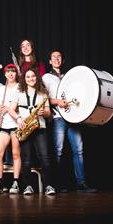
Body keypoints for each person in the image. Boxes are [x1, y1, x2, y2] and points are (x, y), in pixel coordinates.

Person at [42, 50, 98, 193]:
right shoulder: (46, 77)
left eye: (59, 57)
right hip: (57, 118)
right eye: (53, 57)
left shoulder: (70, 77)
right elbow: (42, 99)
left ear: (62, 60)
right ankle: (58, 184)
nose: (56, 59)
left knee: (78, 151)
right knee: (58, 152)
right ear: (50, 61)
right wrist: (58, 101)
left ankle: (81, 184)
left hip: (74, 118)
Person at [9, 68, 56, 196]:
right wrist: (19, 119)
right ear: (24, 79)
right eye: (28, 77)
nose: (31, 79)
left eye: (33, 76)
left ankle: (49, 185)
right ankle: (28, 186)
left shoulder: (43, 93)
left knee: (45, 158)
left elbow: (48, 113)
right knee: (26, 159)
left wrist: (44, 112)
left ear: (37, 77)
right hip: (25, 128)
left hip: (40, 127)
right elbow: (11, 110)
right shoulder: (18, 92)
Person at [0, 64, 21, 194]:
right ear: (5, 74)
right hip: (4, 126)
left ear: (16, 74)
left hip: (16, 125)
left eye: (13, 71)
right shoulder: (1, 89)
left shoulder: (20, 88)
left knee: (15, 154)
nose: (11, 74)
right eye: (8, 72)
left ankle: (16, 182)